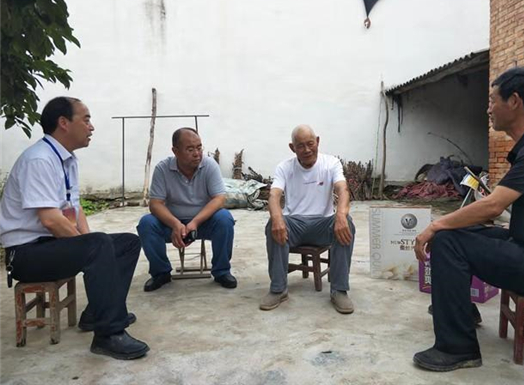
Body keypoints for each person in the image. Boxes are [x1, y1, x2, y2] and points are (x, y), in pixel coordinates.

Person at [413, 67, 524, 372]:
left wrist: (435, 224)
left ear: (514, 101)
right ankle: (461, 311)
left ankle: (458, 348)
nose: (488, 109)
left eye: (492, 100)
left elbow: (494, 205)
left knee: (447, 240)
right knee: (464, 231)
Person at [0, 97, 149, 360]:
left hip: (49, 244)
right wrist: (90, 246)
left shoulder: (66, 160)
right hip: (25, 254)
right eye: (86, 119)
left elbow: (74, 209)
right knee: (98, 244)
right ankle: (109, 334)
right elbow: (50, 219)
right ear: (64, 123)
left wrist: (89, 242)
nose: (91, 127)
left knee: (127, 243)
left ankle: (97, 313)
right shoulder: (39, 160)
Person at [260, 125, 355, 314]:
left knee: (348, 223)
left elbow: (342, 189)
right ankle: (278, 289)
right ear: (292, 147)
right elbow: (274, 195)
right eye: (300, 146)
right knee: (273, 224)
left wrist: (341, 215)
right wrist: (277, 218)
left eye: (310, 144)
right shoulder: (284, 167)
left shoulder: (331, 163)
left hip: (322, 224)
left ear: (317, 141)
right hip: (294, 225)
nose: (307, 150)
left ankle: (339, 290)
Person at [137, 128, 237, 291]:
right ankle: (160, 273)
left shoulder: (209, 165)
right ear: (175, 151)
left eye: (199, 147)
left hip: (203, 222)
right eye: (190, 149)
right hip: (172, 223)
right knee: (146, 223)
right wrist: (175, 224)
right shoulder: (163, 169)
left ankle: (222, 271)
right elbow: (155, 204)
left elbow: (219, 199)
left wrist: (195, 222)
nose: (197, 153)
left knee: (224, 219)